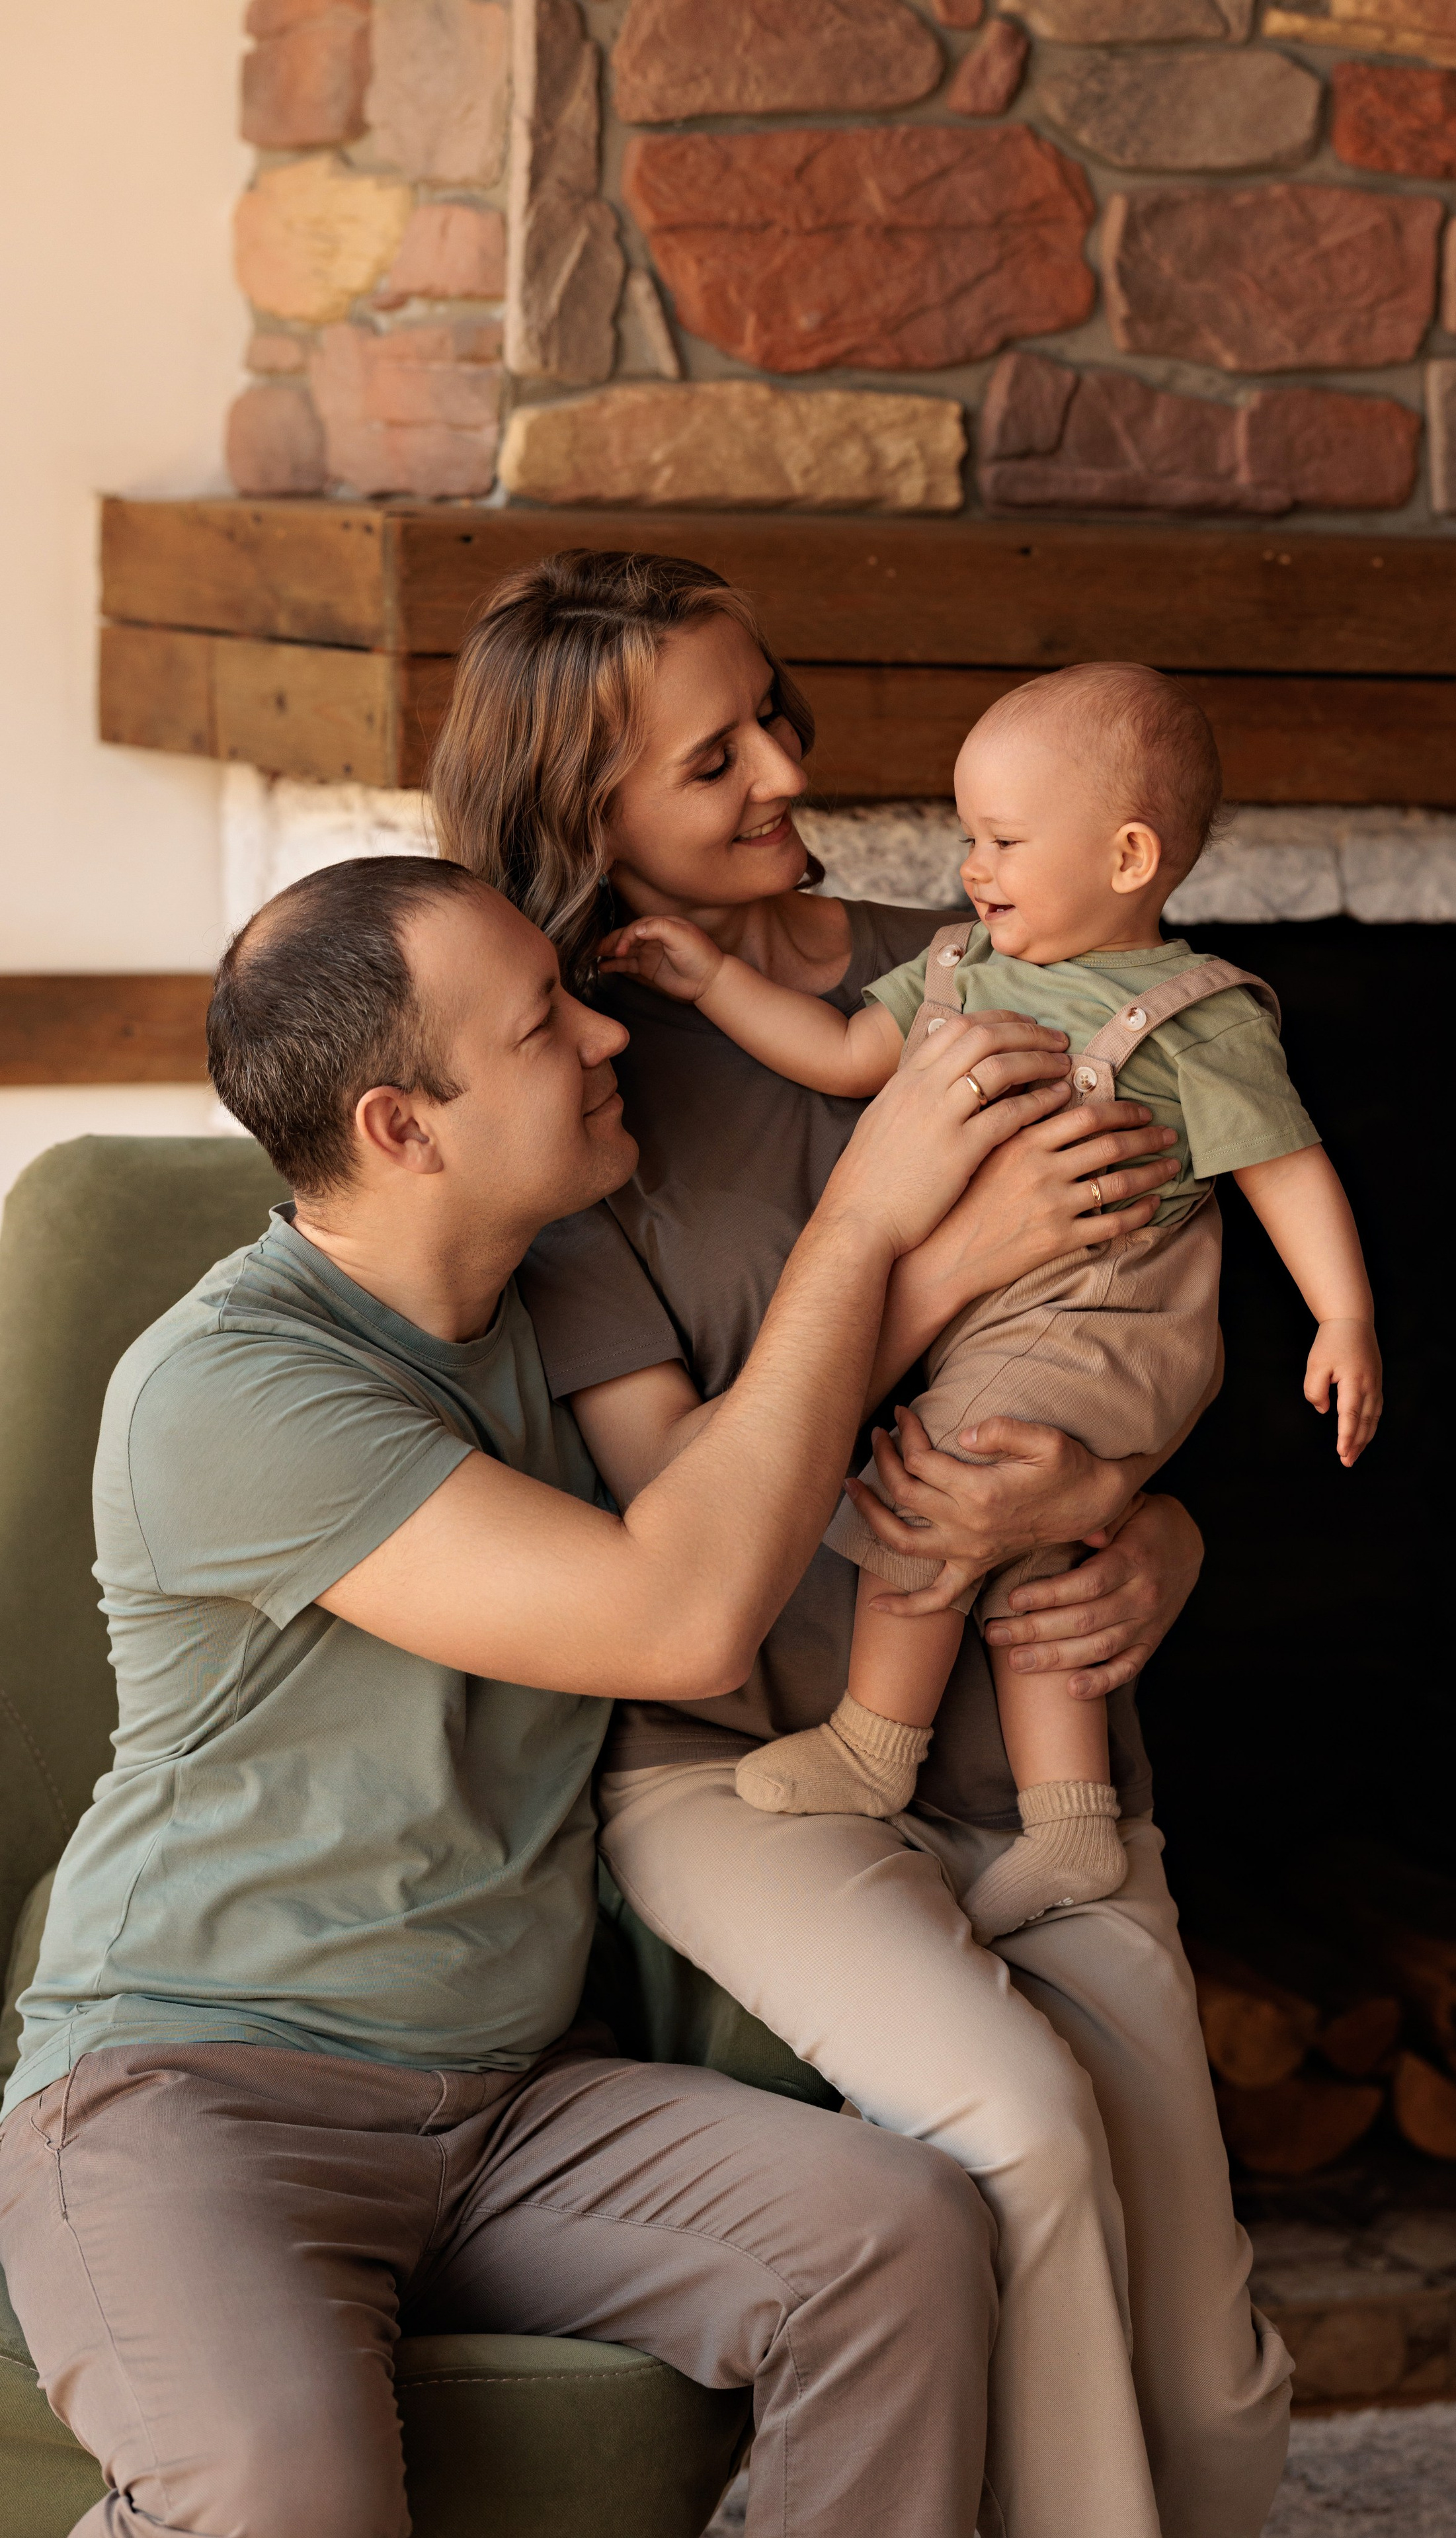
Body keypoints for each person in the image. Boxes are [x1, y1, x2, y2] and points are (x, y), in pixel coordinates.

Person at [0, 852, 1080, 2538]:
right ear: (399, 1127)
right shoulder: (230, 1388)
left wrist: (1116, 1506)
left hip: (507, 2099)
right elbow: (680, 1612)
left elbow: (727, 1481)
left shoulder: (553, 1305)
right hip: (201, 2091)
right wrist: (870, 1211)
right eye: (540, 1023)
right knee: (283, 2496)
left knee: (893, 2234)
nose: (602, 1034)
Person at [437, 549, 1298, 2538]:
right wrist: (936, 1245)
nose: (785, 767)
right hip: (753, 1756)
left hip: (1043, 1730)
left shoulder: (1004, 943)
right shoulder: (570, 1109)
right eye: (709, 755)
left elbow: (1148, 1333)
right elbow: (678, 1539)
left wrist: (1147, 1523)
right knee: (1028, 2143)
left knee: (1216, 2369)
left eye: (774, 709)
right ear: (587, 821)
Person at [600, 662, 1383, 1940]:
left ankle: (873, 1740)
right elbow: (846, 1054)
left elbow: (1286, 1169)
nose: (972, 866)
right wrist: (709, 985)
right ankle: (1072, 1818)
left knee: (940, 1489)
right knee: (1028, 1538)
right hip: (1009, 1323)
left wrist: (1341, 1317)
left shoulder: (1200, 1017)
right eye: (970, 836)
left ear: (1129, 854)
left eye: (1004, 839)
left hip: (1112, 1318)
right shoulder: (957, 967)